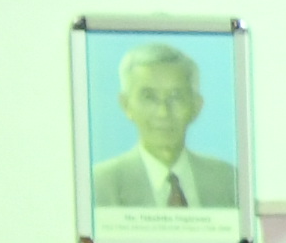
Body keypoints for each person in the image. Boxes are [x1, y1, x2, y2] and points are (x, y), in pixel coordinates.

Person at [89, 41, 240, 211]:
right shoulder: (99, 185)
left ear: (196, 106)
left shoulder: (229, 181)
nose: (163, 112)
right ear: (126, 105)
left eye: (176, 96)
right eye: (149, 97)